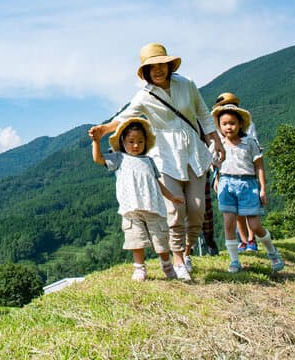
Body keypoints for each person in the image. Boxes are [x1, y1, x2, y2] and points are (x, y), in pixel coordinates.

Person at [89, 43, 225, 281]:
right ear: (146, 71)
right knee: (174, 210)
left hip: (193, 150)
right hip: (164, 155)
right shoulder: (145, 95)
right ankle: (178, 259)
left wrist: (216, 139)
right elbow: (126, 116)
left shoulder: (187, 84)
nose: (158, 70)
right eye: (152, 67)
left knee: (196, 210)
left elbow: (203, 112)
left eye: (161, 64)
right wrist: (104, 129)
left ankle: (188, 251)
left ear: (169, 65)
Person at [90, 117, 185, 281]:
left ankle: (167, 265)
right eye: (131, 141)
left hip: (153, 207)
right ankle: (139, 268)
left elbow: (157, 182)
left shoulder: (149, 161)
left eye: (140, 141)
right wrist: (96, 141)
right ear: (122, 142)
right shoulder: (119, 158)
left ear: (146, 142)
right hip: (131, 208)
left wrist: (172, 197)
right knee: (136, 240)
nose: (136, 145)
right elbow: (98, 159)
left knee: (160, 240)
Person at [211, 104, 284, 273]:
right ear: (219, 126)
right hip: (226, 184)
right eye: (224, 124)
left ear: (240, 124)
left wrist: (262, 189)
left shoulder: (249, 143)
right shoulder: (218, 144)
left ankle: (272, 252)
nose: (229, 127)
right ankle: (234, 260)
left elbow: (259, 166)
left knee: (255, 225)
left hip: (248, 184)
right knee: (229, 223)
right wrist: (216, 178)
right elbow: (214, 165)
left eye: (232, 123)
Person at [212, 93, 260, 252]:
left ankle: (252, 240)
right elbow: (217, 156)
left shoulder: (247, 125)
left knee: (249, 211)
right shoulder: (219, 128)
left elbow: (254, 145)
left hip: (245, 171)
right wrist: (217, 178)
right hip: (227, 173)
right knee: (235, 211)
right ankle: (243, 241)